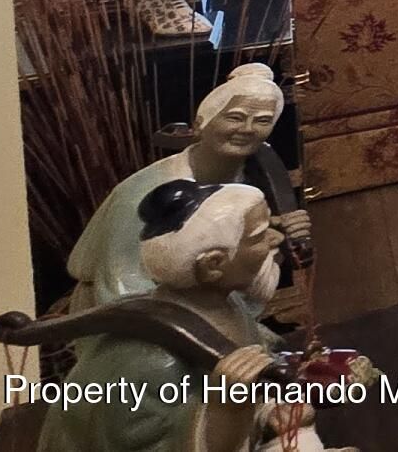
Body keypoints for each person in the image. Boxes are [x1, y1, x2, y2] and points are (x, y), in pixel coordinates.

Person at [40, 180, 365, 452]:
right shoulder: (148, 364)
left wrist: (268, 413)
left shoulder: (229, 308)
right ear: (213, 265)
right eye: (258, 236)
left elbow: (253, 385)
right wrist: (227, 407)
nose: (275, 239)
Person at [69, 63, 310, 311]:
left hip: (218, 310)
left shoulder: (255, 178)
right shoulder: (143, 194)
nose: (248, 129)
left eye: (263, 121)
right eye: (235, 117)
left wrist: (274, 235)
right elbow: (124, 291)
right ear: (201, 123)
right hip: (139, 319)